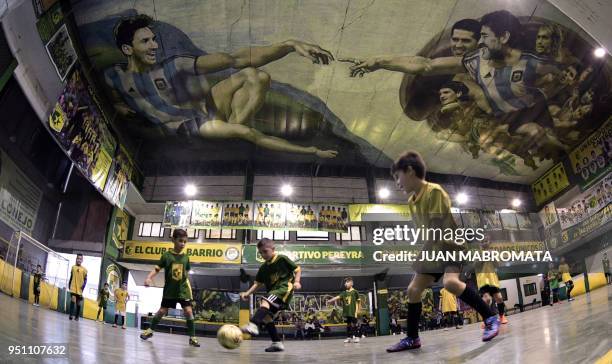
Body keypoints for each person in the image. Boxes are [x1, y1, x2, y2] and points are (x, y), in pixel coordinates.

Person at [107, 14, 337, 158]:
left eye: (154, 39)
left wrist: (289, 45)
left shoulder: (174, 66)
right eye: (145, 41)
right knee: (246, 133)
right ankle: (235, 130)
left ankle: (235, 124)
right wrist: (312, 151)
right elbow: (115, 102)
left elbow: (235, 58)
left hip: (203, 114)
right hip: (190, 126)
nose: (154, 45)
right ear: (128, 49)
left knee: (256, 76)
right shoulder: (113, 76)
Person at [347, 11, 563, 156]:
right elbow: (425, 65)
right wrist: (379, 61)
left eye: (485, 37)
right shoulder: (475, 61)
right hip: (507, 118)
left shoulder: (532, 63)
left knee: (541, 138)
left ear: (504, 37)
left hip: (534, 111)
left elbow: (561, 76)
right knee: (526, 137)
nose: (481, 42)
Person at [386, 151, 499, 353]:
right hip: (433, 249)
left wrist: (423, 255)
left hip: (451, 247)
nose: (397, 183)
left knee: (450, 283)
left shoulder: (435, 192)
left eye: (398, 176)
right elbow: (425, 233)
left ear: (410, 171)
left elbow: (436, 230)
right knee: (413, 290)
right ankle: (412, 338)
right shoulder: (411, 203)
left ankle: (490, 317)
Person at [140, 229, 200, 347]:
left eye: (185, 242)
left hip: (183, 290)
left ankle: (192, 337)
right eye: (180, 241)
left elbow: (186, 272)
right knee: (162, 311)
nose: (182, 244)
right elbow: (157, 269)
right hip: (170, 291)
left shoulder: (186, 257)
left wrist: (188, 286)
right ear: (173, 240)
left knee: (188, 311)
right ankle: (150, 331)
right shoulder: (166, 256)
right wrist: (149, 278)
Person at [240, 238, 302, 352]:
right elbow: (257, 284)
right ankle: (277, 343)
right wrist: (247, 293)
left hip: (284, 289)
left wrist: (297, 282)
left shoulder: (281, 259)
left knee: (265, 301)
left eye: (265, 251)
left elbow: (297, 269)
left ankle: (253, 324)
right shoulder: (263, 268)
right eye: (261, 253)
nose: (263, 254)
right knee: (267, 317)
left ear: (273, 249)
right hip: (274, 292)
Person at [476, 238, 509, 324]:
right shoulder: (477, 253)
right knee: (486, 300)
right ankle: (485, 320)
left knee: (499, 298)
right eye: (482, 242)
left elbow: (497, 265)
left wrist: (493, 256)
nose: (484, 243)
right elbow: (476, 265)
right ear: (480, 244)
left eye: (486, 241)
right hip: (482, 280)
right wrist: (484, 256)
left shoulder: (494, 252)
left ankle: (501, 316)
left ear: (489, 242)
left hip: (492, 280)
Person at [326, 277, 362, 343]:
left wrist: (359, 310)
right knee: (348, 325)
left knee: (354, 324)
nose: (345, 284)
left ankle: (357, 337)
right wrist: (330, 300)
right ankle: (348, 338)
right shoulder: (344, 293)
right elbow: (337, 297)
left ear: (351, 283)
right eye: (345, 283)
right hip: (347, 312)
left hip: (353, 312)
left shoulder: (355, 292)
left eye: (347, 282)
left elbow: (359, 301)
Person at [68, 254, 87, 321]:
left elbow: (85, 279)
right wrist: (69, 284)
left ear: (82, 260)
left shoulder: (84, 269)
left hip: (80, 289)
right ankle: (71, 315)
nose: (79, 260)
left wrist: (83, 287)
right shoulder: (73, 267)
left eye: (80, 259)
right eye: (78, 258)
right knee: (73, 299)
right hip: (73, 287)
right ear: (76, 259)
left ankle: (77, 316)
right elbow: (71, 277)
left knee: (78, 303)